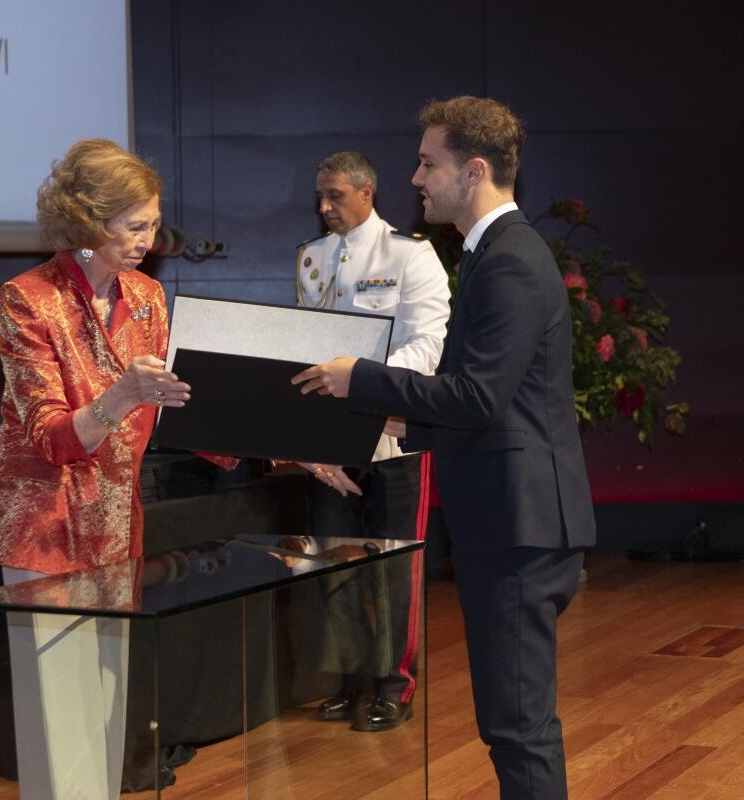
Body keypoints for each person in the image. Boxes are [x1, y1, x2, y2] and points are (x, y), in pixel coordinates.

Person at [292, 97, 596, 799]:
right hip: (512, 519)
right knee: (512, 724)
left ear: (476, 170)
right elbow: (489, 404)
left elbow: (479, 397)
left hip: (520, 526)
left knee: (517, 730)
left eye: (429, 162)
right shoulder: (496, 254)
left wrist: (360, 379)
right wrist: (404, 424)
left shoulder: (510, 260)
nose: (417, 177)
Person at [0, 138, 231, 799]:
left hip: (117, 526)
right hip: (46, 527)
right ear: (90, 224)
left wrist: (284, 445)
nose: (150, 238)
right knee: (55, 715)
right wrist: (122, 394)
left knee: (104, 708)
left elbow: (174, 409)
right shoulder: (27, 300)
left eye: (153, 222)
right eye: (136, 225)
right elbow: (48, 436)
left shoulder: (147, 296)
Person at [290, 151, 450, 731]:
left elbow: (425, 348)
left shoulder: (410, 255)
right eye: (320, 197)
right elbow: (305, 349)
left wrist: (361, 389)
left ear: (367, 191)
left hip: (391, 436)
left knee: (392, 566)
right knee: (334, 565)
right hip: (328, 442)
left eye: (334, 195)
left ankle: (393, 682)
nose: (325, 207)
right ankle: (348, 679)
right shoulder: (310, 257)